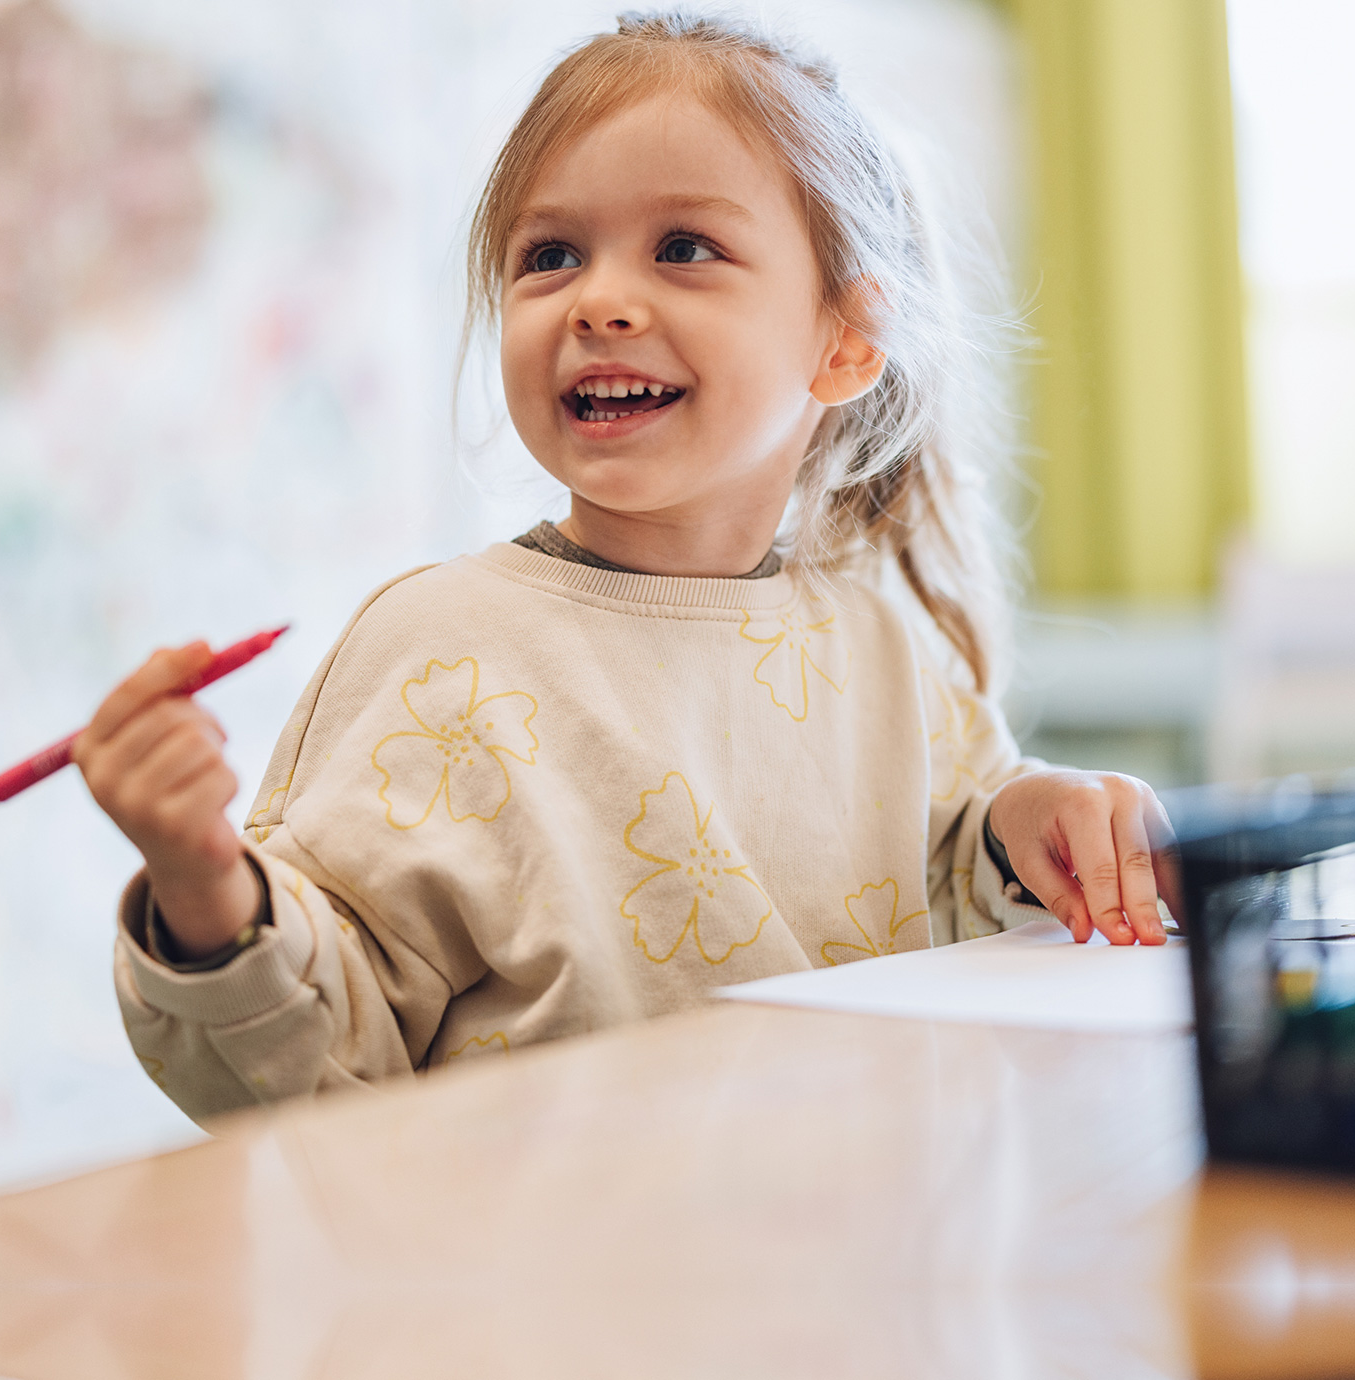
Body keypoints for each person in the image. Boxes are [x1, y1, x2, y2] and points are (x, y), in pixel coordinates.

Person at [74, 12, 1170, 1122]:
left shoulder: (883, 647)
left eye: (683, 248)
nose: (598, 300)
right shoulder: (441, 652)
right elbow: (305, 1060)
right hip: (546, 1285)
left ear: (843, 342)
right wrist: (207, 887)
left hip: (839, 1272)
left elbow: (960, 873)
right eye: (550, 256)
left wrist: (1031, 817)